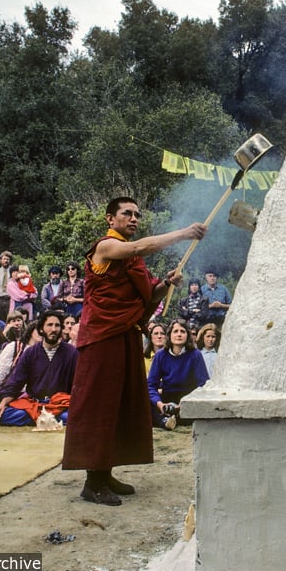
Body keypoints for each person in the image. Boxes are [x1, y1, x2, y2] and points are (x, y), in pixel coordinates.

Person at [62, 196, 206, 506]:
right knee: (100, 406)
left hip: (125, 335)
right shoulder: (105, 248)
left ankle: (105, 473)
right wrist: (183, 233)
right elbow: (138, 247)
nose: (134, 218)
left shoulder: (134, 261)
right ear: (109, 219)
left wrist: (167, 283)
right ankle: (92, 482)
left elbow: (148, 296)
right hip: (102, 338)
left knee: (120, 405)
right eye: (127, 213)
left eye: (137, 214)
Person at [0, 310, 78, 426]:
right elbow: (16, 382)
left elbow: (79, 384)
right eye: (49, 325)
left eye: (57, 325)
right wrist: (2, 404)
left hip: (60, 404)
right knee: (4, 415)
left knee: (72, 416)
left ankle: (44, 418)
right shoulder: (30, 353)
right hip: (34, 404)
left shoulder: (72, 353)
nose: (54, 329)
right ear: (41, 329)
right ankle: (47, 418)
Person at [148, 319, 210, 431]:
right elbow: (151, 385)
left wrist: (186, 402)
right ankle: (166, 420)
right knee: (145, 402)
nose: (179, 334)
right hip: (167, 398)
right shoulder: (160, 355)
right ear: (169, 335)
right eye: (175, 331)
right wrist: (160, 404)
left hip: (188, 398)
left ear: (187, 335)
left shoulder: (195, 355)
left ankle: (169, 419)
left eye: (182, 331)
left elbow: (204, 384)